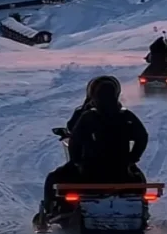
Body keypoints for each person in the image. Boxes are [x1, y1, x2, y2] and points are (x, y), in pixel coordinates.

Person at [42, 77, 147, 217]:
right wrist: (132, 158)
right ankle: (142, 210)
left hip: (89, 173)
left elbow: (74, 141)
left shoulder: (88, 117)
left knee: (52, 178)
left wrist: (77, 162)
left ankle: (48, 212)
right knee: (139, 178)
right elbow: (142, 137)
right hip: (121, 172)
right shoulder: (126, 116)